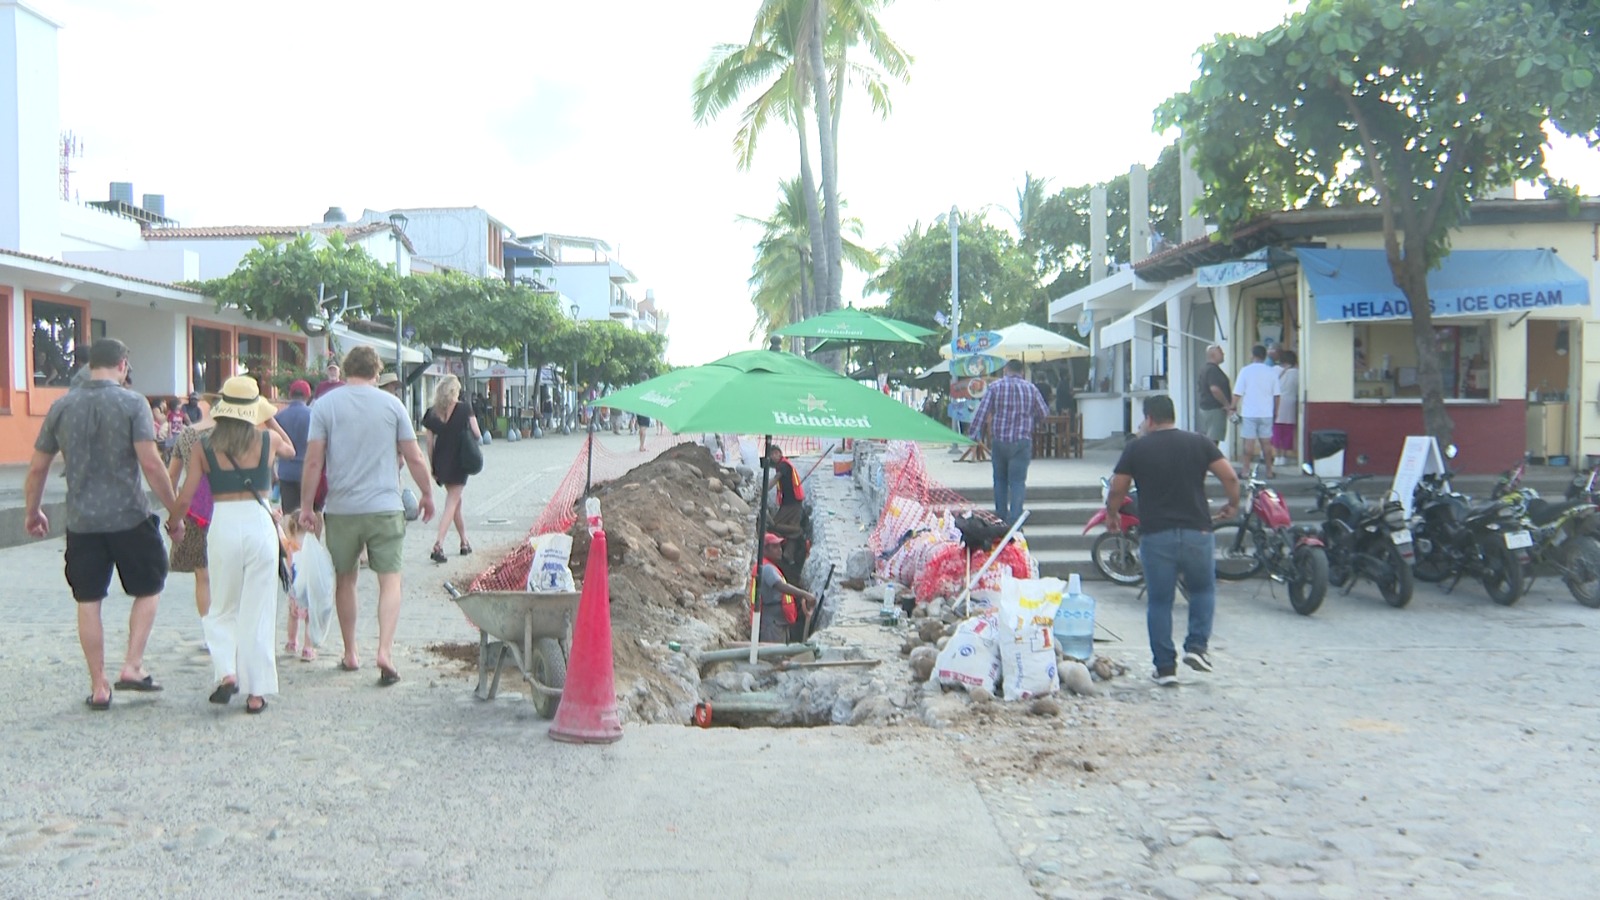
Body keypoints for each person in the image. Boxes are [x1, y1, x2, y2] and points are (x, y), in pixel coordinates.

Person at [23, 338, 185, 710]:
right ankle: (132, 664)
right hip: (129, 515)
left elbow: (37, 467)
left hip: (82, 521)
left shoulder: (61, 406)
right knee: (150, 585)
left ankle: (99, 686)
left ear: (89, 364)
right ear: (123, 365)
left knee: (88, 599)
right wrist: (174, 512)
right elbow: (151, 463)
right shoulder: (133, 403)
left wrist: (32, 511)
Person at [299, 346, 436, 686]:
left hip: (342, 509)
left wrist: (306, 508)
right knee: (390, 579)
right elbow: (414, 456)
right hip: (385, 507)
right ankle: (385, 651)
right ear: (377, 372)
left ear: (345, 371)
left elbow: (313, 461)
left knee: (345, 579)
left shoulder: (325, 406)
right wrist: (428, 494)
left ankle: (350, 652)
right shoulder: (392, 405)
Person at [173, 376, 294, 714]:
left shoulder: (203, 445)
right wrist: (268, 418)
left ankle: (227, 670)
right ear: (253, 410)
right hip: (259, 523)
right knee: (258, 610)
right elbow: (292, 449)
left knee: (222, 606)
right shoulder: (267, 439)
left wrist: (173, 522)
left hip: (223, 522)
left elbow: (185, 495)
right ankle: (257, 693)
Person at [1105, 394, 1240, 686]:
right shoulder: (1200, 442)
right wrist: (1233, 503)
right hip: (1198, 532)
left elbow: (1118, 486)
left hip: (1156, 535)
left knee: (1160, 601)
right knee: (1203, 590)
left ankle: (1165, 668)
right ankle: (1197, 647)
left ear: (1150, 419)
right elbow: (1229, 477)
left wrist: (1112, 513)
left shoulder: (1137, 448)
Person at [970, 358, 1051, 526]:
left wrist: (972, 435)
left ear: (1006, 370)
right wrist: (1030, 422)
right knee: (1017, 482)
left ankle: (1000, 518)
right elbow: (1044, 413)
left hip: (1000, 441)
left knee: (1000, 480)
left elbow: (982, 413)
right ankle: (1015, 522)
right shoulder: (1032, 389)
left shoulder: (995, 387)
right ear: (1022, 372)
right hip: (1022, 442)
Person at [167, 400, 217, 650]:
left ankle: (210, 633)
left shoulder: (187, 434)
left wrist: (174, 510)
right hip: (229, 507)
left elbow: (172, 476)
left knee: (203, 575)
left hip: (195, 509)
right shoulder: (239, 434)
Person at [421, 374, 481, 563]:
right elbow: (478, 434)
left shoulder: (431, 413)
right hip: (459, 460)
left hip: (441, 461)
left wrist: (432, 466)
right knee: (452, 503)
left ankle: (464, 542)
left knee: (455, 503)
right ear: (455, 391)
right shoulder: (464, 408)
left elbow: (429, 444)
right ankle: (438, 544)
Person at [1232, 344, 1281, 478]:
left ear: (1252, 355)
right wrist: (1275, 411)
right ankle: (1269, 471)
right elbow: (1277, 395)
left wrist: (1232, 407)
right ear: (1265, 356)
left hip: (1249, 413)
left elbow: (1237, 393)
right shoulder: (1271, 372)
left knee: (1248, 444)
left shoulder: (1245, 371)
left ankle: (1245, 471)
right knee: (1266, 444)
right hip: (1266, 413)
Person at [757, 532, 816, 644]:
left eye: (779, 546)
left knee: (779, 652)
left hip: (778, 621)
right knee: (773, 654)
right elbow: (781, 586)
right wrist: (805, 595)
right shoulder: (767, 568)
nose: (779, 549)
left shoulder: (769, 567)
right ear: (764, 550)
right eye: (775, 547)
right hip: (772, 623)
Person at [273, 380, 313, 514]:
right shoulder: (313, 415)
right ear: (308, 396)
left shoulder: (279, 417)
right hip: (308, 473)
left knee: (289, 516)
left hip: (286, 473)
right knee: (309, 514)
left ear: (290, 395)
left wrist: (273, 472)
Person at [281, 514, 316, 661]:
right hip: (308, 589)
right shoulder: (310, 545)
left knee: (293, 615)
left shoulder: (290, 546)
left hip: (294, 589)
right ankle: (308, 648)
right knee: (309, 619)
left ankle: (291, 642)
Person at [1196, 344, 1233, 446]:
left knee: (1211, 438)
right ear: (1213, 354)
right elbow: (1215, 389)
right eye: (1220, 352)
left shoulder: (1206, 369)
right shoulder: (1213, 370)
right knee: (1213, 439)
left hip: (1207, 407)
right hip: (1214, 408)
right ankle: (1210, 460)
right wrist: (1226, 404)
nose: (1223, 354)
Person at [1272, 350, 1300, 468]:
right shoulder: (1297, 373)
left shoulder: (1274, 370)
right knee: (1288, 430)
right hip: (1291, 403)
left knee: (1277, 430)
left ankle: (1277, 456)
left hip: (1277, 402)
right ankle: (1284, 456)